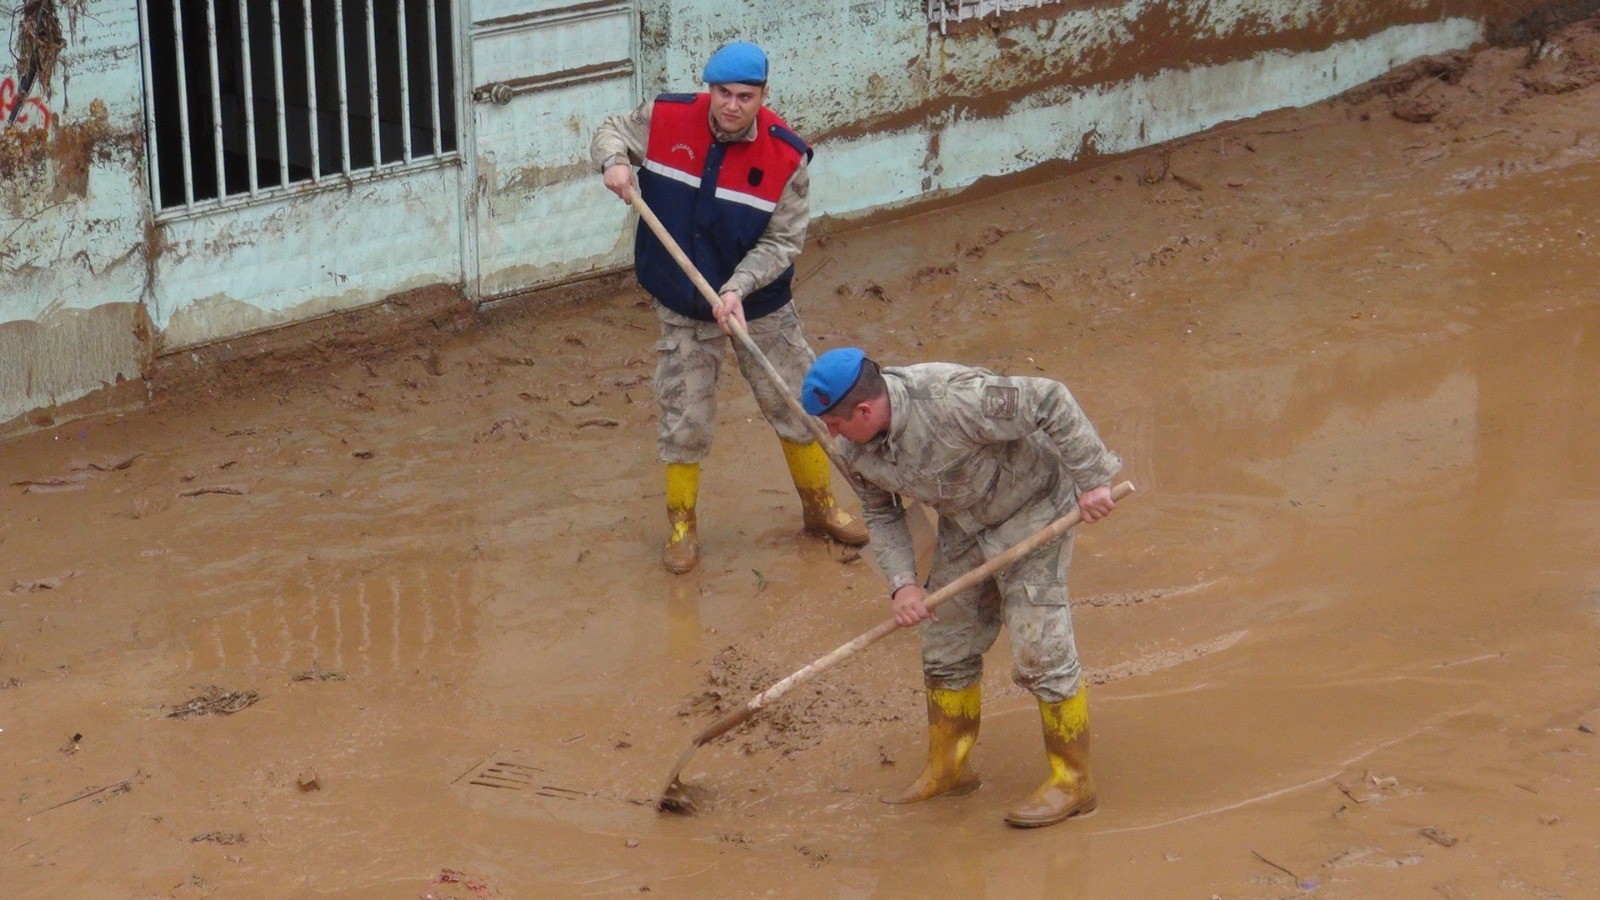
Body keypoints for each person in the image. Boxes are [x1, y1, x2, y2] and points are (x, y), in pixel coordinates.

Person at [799, 348, 1120, 828]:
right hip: (964, 523)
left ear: (864, 411)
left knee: (1040, 652)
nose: (832, 435)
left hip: (1033, 509)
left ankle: (1073, 780)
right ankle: (950, 767)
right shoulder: (856, 450)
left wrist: (1092, 480)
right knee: (945, 644)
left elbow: (1050, 399)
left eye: (835, 424)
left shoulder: (952, 399)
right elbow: (882, 513)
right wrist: (903, 585)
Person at [590, 41, 867, 574]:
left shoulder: (787, 157)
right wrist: (615, 162)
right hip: (683, 299)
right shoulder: (666, 117)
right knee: (685, 417)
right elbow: (610, 130)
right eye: (723, 93)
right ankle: (682, 526)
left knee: (796, 402)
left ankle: (820, 506)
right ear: (709, 89)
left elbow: (783, 242)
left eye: (745, 96)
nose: (732, 105)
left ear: (763, 95)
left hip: (759, 303)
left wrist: (738, 288)